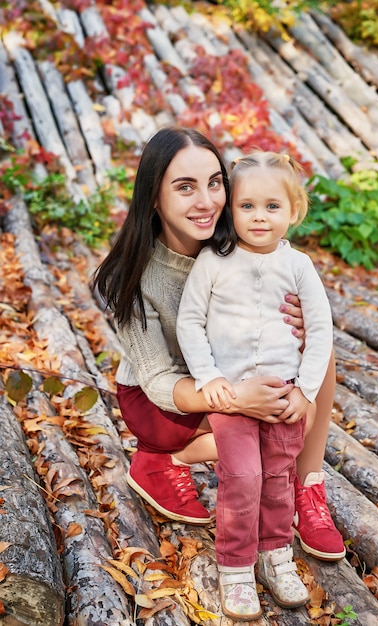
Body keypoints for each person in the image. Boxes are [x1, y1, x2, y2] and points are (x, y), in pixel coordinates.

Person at [92, 126, 344, 560]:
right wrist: (237, 399)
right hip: (166, 403)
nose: (206, 201)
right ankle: (164, 459)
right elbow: (157, 382)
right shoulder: (135, 276)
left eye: (214, 183)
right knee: (267, 420)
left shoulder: (240, 239)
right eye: (185, 187)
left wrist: (296, 324)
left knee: (316, 353)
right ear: (154, 196)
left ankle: (307, 489)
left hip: (226, 371)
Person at [176, 151, 333, 618]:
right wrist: (210, 377)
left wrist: (305, 390)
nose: (259, 217)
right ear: (230, 211)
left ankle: (274, 555)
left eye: (272, 207)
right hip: (231, 397)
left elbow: (321, 330)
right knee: (242, 476)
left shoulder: (300, 266)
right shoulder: (214, 261)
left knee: (278, 479)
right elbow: (190, 322)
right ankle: (236, 566)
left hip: (285, 397)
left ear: (293, 212)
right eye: (246, 207)